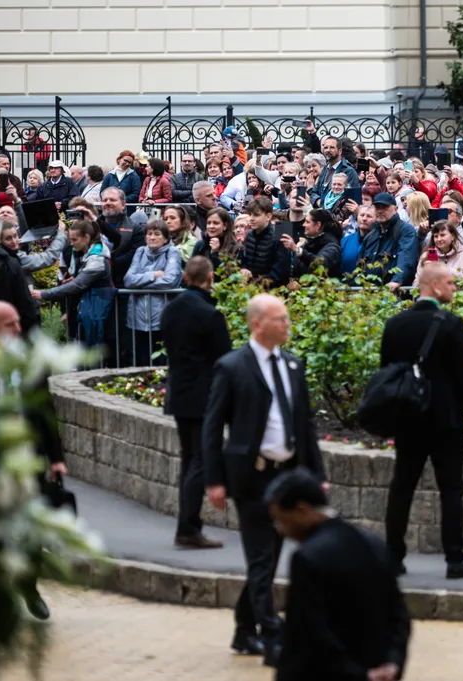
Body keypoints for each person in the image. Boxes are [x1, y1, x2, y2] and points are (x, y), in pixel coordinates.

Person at [201, 294, 326, 665]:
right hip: (250, 478)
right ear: (258, 324)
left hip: (287, 478)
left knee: (268, 560)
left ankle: (243, 630)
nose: (288, 325)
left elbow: (304, 424)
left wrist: (316, 475)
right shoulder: (232, 366)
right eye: (281, 319)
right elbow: (211, 428)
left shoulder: (292, 365)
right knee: (261, 559)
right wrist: (214, 480)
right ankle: (274, 636)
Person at [382, 262, 463, 579]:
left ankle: (393, 557)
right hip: (445, 420)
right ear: (436, 285)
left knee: (402, 488)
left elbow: (386, 375)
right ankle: (455, 560)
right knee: (451, 489)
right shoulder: (451, 325)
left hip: (408, 419)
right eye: (451, 283)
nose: (455, 288)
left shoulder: (395, 324)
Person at [266, 468, 411, 681]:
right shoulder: (372, 543)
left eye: (282, 519)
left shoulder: (308, 557)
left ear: (302, 509)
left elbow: (309, 634)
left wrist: (358, 675)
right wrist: (392, 662)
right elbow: (398, 613)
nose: (281, 529)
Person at [0, 300, 67, 621]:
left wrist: (56, 458)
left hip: (28, 457)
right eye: (11, 324)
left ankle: (30, 587)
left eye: (19, 322)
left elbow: (45, 411)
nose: (19, 329)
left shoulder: (29, 361)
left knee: (32, 524)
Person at [160, 256, 232, 549]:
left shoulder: (171, 309)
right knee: (200, 460)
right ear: (210, 278)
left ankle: (187, 525)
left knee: (189, 459)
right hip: (203, 395)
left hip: (179, 391)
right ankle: (188, 527)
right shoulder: (209, 314)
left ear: (186, 277)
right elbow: (224, 358)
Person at [122, 220, 182, 366]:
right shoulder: (140, 251)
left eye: (157, 234)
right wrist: (153, 275)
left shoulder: (172, 252)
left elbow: (170, 280)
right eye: (149, 234)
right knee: (140, 360)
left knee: (160, 361)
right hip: (137, 317)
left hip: (161, 317)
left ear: (166, 238)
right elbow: (128, 280)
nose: (152, 237)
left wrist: (140, 283)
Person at [281, 208, 343, 281]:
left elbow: (321, 264)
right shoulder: (307, 244)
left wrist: (297, 250)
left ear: (318, 225)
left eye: (307, 222)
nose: (303, 225)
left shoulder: (333, 247)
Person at [412, 220, 463, 286]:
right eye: (436, 236)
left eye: (442, 235)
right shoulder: (427, 255)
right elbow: (416, 283)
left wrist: (442, 269)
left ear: (453, 236)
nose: (439, 239)